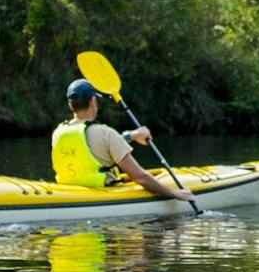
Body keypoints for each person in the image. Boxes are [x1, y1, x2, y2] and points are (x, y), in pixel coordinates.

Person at [50, 78, 196, 203]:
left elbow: (91, 146)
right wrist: (176, 193)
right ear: (93, 102)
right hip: (101, 193)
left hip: (69, 191)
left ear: (70, 105)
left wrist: (132, 135)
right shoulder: (105, 133)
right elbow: (141, 177)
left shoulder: (58, 132)